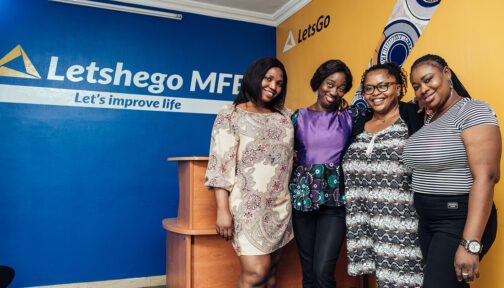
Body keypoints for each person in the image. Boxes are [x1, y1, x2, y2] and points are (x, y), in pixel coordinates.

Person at [404, 54, 500, 288]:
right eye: (416, 86)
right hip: (428, 222)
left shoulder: (472, 111)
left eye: (428, 80)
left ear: (447, 73)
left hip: (458, 221)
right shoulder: (430, 119)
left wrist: (470, 244)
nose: (423, 89)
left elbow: (486, 177)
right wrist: (421, 103)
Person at [204, 57, 294, 288]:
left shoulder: (286, 116)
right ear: (254, 77)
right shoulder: (230, 115)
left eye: (280, 83)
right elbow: (220, 166)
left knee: (272, 270)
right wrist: (222, 211)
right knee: (256, 272)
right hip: (247, 208)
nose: (274, 86)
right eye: (269, 79)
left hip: (281, 207)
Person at [342, 62, 424, 288]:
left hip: (406, 228)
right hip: (369, 227)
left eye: (383, 86)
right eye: (369, 88)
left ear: (398, 88)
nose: (375, 94)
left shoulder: (414, 116)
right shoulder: (359, 123)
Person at [288, 59, 358, 288]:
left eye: (341, 88)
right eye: (330, 84)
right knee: (308, 274)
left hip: (334, 203)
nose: (334, 91)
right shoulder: (297, 117)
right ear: (319, 82)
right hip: (303, 200)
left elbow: (383, 109)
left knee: (323, 273)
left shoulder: (349, 116)